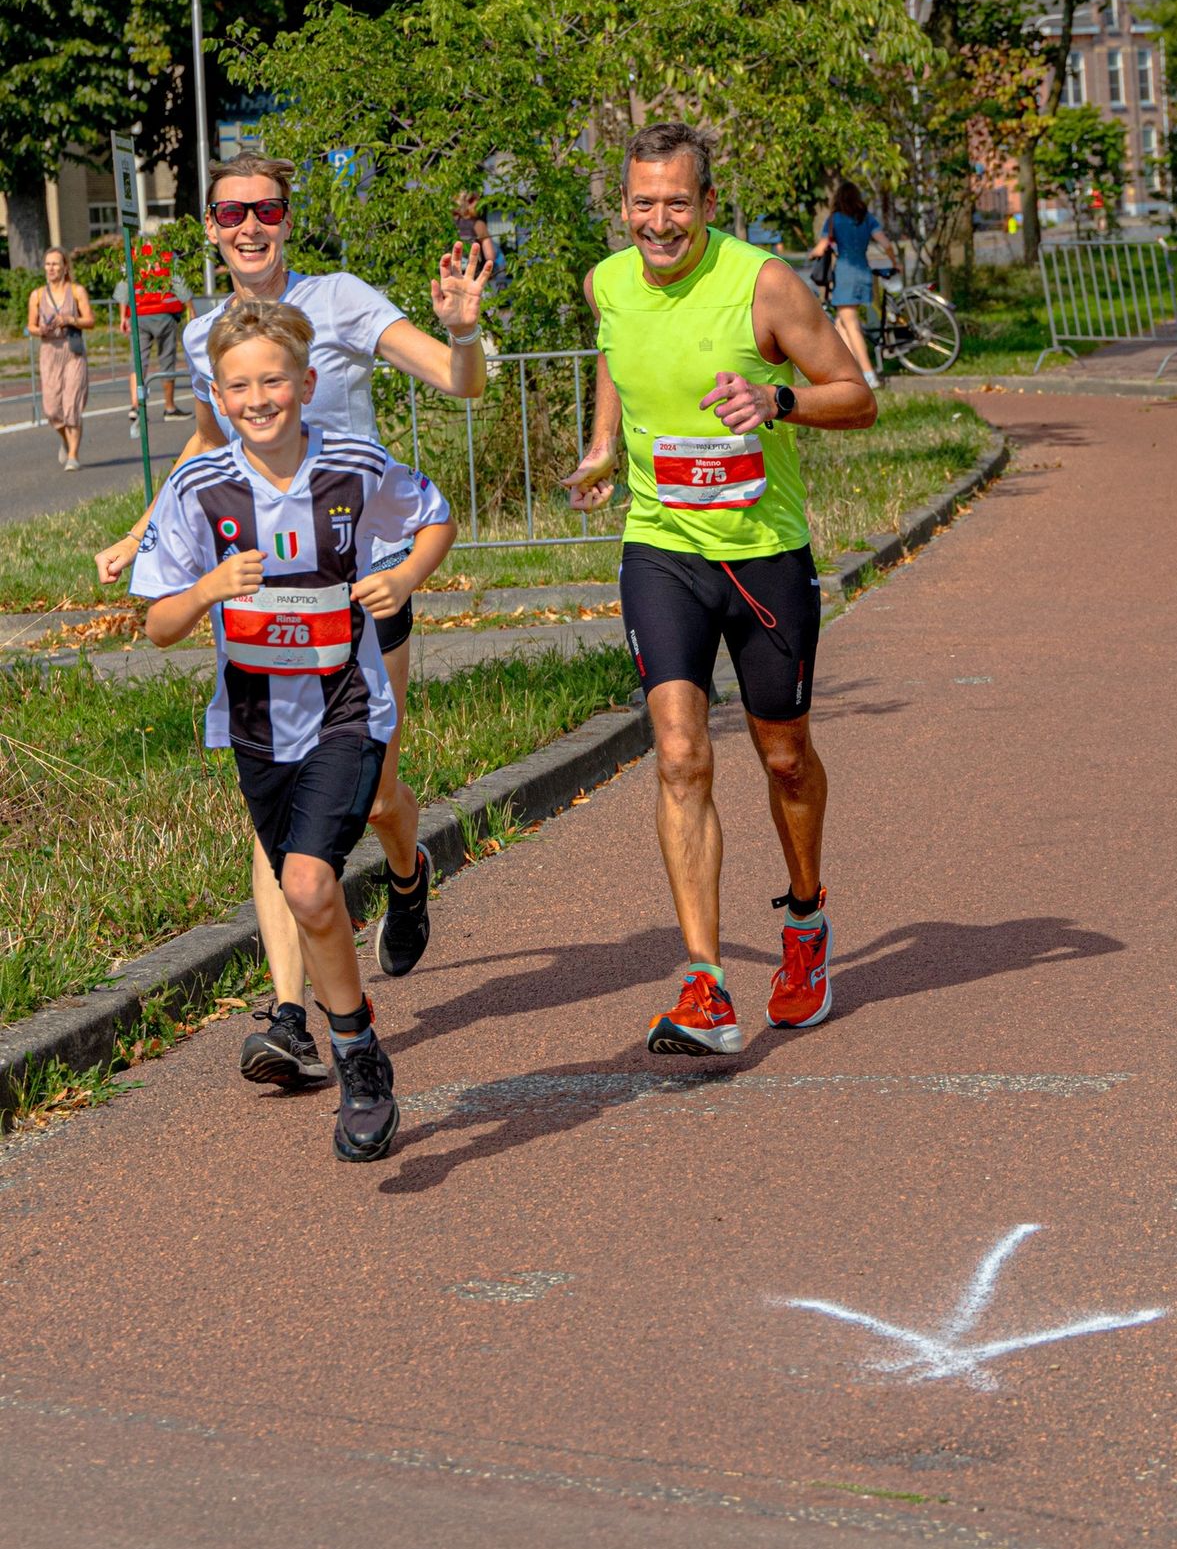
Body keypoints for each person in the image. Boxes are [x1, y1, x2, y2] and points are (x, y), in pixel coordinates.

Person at [96, 151, 490, 1091]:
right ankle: (289, 1018)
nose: (248, 226)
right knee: (273, 815)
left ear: (286, 217)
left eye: (265, 209)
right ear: (208, 226)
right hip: (264, 610)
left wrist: (464, 335)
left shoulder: (343, 299)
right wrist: (141, 534)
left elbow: (459, 382)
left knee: (382, 792)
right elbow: (208, 445)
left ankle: (405, 872)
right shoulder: (207, 334)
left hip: (360, 585)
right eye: (229, 211)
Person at [564, 122, 876, 1057]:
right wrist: (605, 444)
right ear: (623, 207)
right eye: (642, 203)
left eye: (677, 204)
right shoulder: (607, 280)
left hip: (764, 554)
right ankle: (704, 983)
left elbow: (857, 397)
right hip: (660, 546)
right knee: (678, 753)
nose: (658, 222)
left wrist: (777, 400)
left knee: (784, 757)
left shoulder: (764, 283)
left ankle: (806, 923)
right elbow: (621, 353)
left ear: (707, 205)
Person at [131, 299, 455, 1160]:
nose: (259, 397)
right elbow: (158, 622)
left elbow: (434, 514)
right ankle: (358, 1030)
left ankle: (356, 1063)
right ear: (218, 395)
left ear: (306, 384)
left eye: (275, 379)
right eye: (239, 385)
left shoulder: (351, 467)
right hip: (254, 726)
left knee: (310, 888)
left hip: (348, 708)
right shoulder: (199, 487)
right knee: (306, 898)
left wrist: (407, 573)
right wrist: (207, 590)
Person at [808, 180, 901, 391]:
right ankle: (851, 373)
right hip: (864, 272)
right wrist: (895, 262)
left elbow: (821, 248)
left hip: (846, 274)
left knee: (851, 325)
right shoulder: (866, 219)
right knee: (841, 324)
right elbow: (886, 244)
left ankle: (869, 376)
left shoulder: (834, 220)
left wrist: (812, 254)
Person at [113, 237, 195, 434]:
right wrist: (190, 308)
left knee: (138, 361)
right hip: (165, 312)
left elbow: (124, 287)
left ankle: (136, 406)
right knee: (166, 359)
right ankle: (169, 407)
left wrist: (122, 316)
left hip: (139, 313)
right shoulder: (167, 255)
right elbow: (179, 283)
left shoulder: (132, 255)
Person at [26, 249, 94, 470]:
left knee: (71, 404)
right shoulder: (37, 295)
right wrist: (41, 329)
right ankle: (65, 440)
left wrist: (69, 318)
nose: (51, 269)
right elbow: (31, 326)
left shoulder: (76, 291)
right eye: (47, 264)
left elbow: (89, 320)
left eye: (55, 264)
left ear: (65, 267)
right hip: (49, 352)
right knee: (52, 409)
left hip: (72, 350)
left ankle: (73, 454)